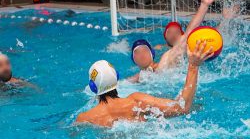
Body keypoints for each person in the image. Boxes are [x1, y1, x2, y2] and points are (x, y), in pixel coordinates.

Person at [76, 41, 214, 127]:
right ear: (116, 78)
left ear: (93, 87)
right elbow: (182, 108)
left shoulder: (84, 118)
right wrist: (193, 66)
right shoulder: (136, 101)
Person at [128, 0, 221, 82]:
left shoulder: (165, 63)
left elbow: (187, 35)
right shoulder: (138, 78)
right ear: (134, 59)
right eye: (137, 52)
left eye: (145, 50)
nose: (142, 55)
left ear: (152, 54)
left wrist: (204, 5)